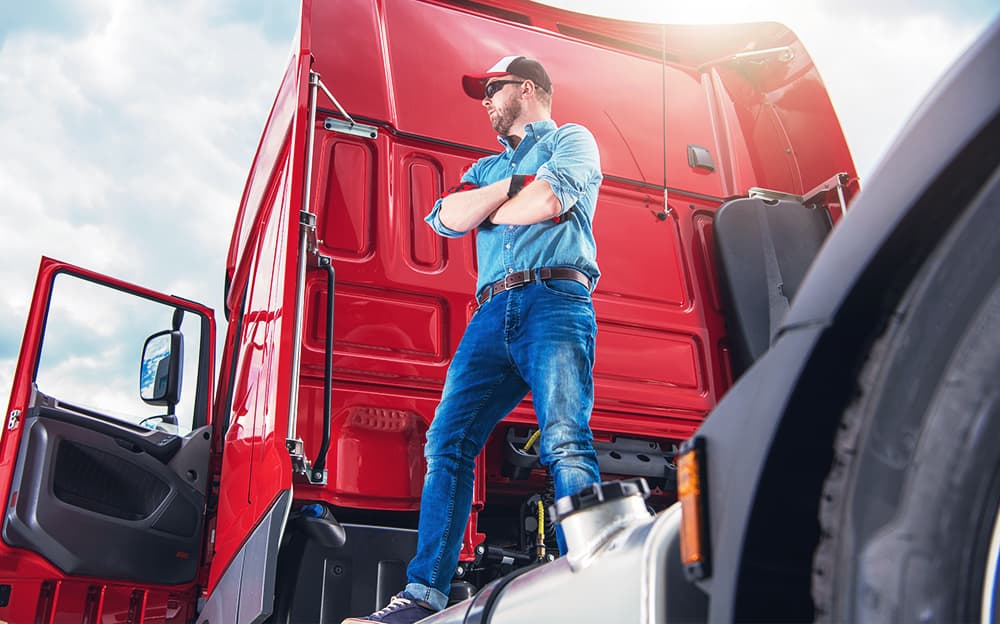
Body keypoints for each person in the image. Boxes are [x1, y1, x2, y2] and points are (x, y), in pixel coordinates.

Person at [344, 55, 603, 624]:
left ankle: (589, 583)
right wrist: (509, 189)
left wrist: (500, 204)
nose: (485, 101)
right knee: (447, 442)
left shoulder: (574, 141)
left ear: (528, 89)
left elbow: (550, 201)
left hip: (555, 301)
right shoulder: (487, 167)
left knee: (563, 436)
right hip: (491, 316)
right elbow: (446, 218)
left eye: (493, 89)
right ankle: (423, 596)